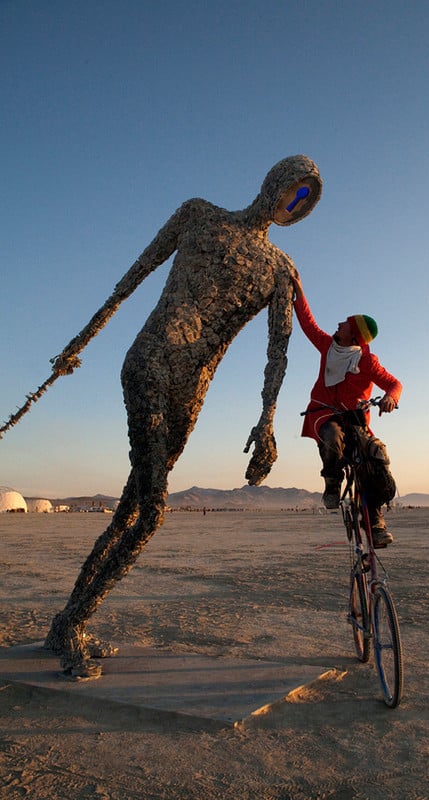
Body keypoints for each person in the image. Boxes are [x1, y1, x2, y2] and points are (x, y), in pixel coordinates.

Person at [40, 155, 322, 678]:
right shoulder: (198, 215)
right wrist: (80, 342)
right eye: (292, 190)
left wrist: (267, 421)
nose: (293, 203)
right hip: (150, 361)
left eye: (304, 200)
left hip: (191, 392)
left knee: (130, 509)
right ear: (273, 183)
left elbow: (278, 350)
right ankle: (73, 622)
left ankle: (65, 625)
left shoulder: (281, 270)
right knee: (153, 514)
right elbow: (132, 278)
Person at [291, 270, 402, 547]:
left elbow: (394, 384)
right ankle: (332, 481)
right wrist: (300, 293)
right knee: (332, 436)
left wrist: (391, 397)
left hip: (355, 419)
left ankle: (375, 521)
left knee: (374, 457)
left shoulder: (367, 362)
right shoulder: (327, 346)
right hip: (323, 412)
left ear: (353, 335)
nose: (339, 324)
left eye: (345, 323)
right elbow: (308, 324)